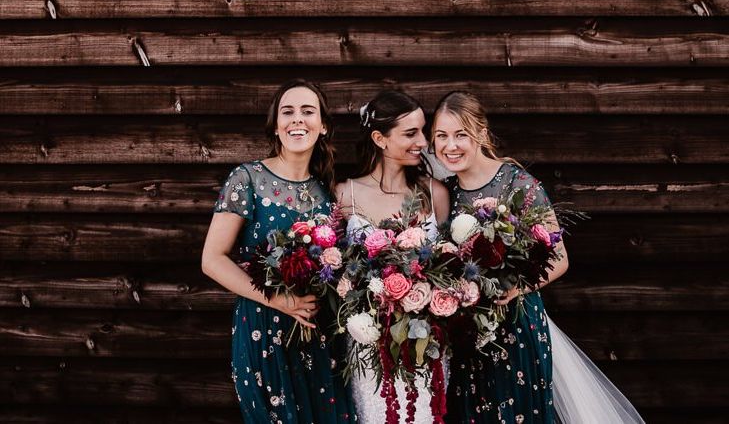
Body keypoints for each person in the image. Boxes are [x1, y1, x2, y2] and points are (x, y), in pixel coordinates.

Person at [432, 91, 645, 424]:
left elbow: (559, 258)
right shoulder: (446, 192)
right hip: (467, 336)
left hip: (518, 327)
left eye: (461, 134)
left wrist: (515, 288)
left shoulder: (519, 185)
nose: (451, 145)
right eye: (441, 136)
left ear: (482, 134)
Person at [201, 79, 356, 423]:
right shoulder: (247, 179)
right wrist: (279, 301)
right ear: (275, 125)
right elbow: (212, 260)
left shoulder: (327, 191)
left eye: (307, 111)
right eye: (288, 112)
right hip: (263, 327)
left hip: (320, 335)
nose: (297, 120)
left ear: (323, 125)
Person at [335, 89, 450, 424]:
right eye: (411, 133)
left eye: (423, 131)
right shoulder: (344, 194)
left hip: (425, 342)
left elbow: (447, 263)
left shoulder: (435, 193)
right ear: (379, 139)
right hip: (369, 344)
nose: (424, 142)